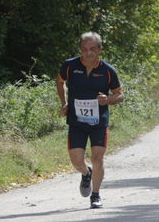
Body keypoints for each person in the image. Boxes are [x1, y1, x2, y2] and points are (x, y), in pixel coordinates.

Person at [56, 32, 124, 209]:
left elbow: (120, 94)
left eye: (93, 49)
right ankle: (86, 174)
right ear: (80, 49)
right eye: (85, 49)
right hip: (76, 121)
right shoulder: (70, 66)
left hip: (99, 122)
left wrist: (107, 100)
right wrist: (64, 103)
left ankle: (96, 195)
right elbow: (59, 81)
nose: (89, 53)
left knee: (97, 157)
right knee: (76, 160)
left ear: (100, 49)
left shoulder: (108, 71)